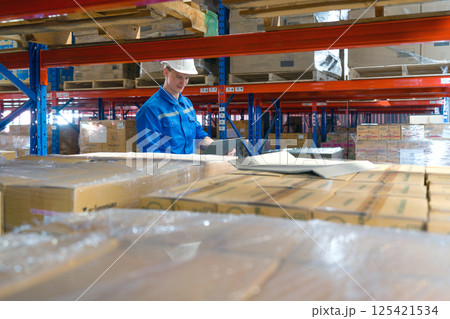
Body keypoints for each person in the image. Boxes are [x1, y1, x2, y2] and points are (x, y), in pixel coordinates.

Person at [136, 59, 214, 154]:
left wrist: (219, 148)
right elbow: (150, 152)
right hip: (167, 168)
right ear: (166, 72)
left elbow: (198, 135)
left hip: (190, 167)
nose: (183, 82)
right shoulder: (150, 110)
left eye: (187, 78)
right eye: (179, 77)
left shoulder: (187, 104)